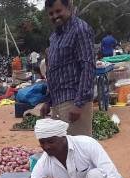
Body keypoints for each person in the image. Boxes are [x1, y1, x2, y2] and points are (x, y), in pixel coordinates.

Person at [40, 0, 95, 136]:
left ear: (69, 8)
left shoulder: (80, 30)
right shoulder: (54, 37)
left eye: (58, 11)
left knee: (78, 150)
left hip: (74, 102)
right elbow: (53, 71)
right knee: (62, 150)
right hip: (58, 102)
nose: (55, 16)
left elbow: (88, 66)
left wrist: (79, 104)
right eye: (51, 13)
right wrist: (48, 101)